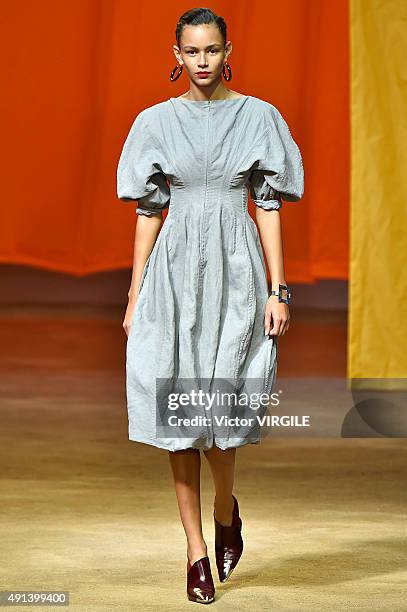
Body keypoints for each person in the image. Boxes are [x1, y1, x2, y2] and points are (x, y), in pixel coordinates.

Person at [116, 7, 304, 605]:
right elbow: (149, 211)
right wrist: (134, 292)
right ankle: (195, 551)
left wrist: (279, 290)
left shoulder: (258, 117)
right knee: (178, 418)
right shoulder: (154, 122)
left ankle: (226, 510)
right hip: (172, 275)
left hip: (236, 271)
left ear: (228, 51)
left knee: (220, 416)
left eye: (212, 50)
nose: (202, 61)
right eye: (191, 51)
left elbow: (268, 206)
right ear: (176, 54)